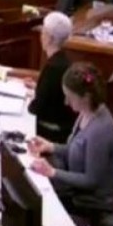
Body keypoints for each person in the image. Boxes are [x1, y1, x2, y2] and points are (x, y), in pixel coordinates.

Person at [28, 62, 113, 226]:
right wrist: (51, 146)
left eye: (69, 97)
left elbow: (91, 180)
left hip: (89, 203)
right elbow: (76, 149)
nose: (66, 102)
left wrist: (52, 172)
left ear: (85, 97)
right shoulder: (86, 112)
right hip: (74, 188)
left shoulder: (101, 130)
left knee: (37, 202)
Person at [26, 12, 77, 143]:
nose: (41, 36)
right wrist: (37, 88)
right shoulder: (63, 60)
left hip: (50, 133)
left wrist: (29, 99)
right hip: (62, 126)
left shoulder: (53, 67)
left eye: (43, 32)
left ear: (49, 38)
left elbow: (36, 108)